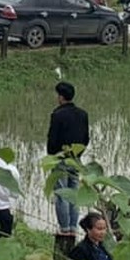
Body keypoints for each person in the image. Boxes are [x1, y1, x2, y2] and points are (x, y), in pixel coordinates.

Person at [47, 82, 90, 238]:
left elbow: (52, 140)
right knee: (73, 194)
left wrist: (53, 155)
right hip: (76, 159)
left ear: (61, 97)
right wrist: (78, 154)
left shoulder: (57, 115)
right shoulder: (83, 114)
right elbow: (86, 138)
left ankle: (64, 229)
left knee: (61, 194)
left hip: (60, 159)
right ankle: (73, 228)